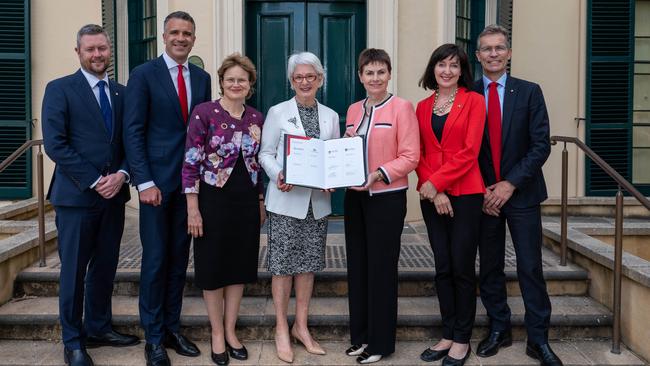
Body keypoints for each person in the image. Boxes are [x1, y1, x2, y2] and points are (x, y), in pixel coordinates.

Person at [42, 24, 139, 366]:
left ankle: (98, 327)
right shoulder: (59, 89)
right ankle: (73, 341)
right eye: (90, 49)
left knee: (105, 267)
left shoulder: (123, 94)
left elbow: (132, 142)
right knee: (73, 270)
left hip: (115, 197)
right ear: (78, 52)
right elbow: (56, 144)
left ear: (110, 49)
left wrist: (123, 174)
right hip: (77, 197)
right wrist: (97, 179)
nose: (97, 54)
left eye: (102, 48)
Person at [123, 11, 212, 366]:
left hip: (189, 186)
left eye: (187, 33)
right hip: (155, 186)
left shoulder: (202, 78)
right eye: (174, 32)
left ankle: (172, 328)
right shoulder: (143, 75)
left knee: (178, 261)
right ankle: (154, 337)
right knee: (156, 261)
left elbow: (201, 131)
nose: (180, 38)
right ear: (164, 36)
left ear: (193, 38)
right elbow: (133, 130)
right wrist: (143, 181)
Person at [473, 25, 562, 366]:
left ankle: (538, 339)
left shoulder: (529, 92)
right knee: (491, 267)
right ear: (478, 55)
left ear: (508, 53)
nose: (493, 54)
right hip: (482, 197)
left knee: (530, 266)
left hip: (521, 194)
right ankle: (499, 328)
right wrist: (480, 188)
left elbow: (540, 145)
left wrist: (509, 184)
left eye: (499, 48)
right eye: (486, 49)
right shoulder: (467, 95)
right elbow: (464, 148)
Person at [182, 53, 264, 366]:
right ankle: (217, 333)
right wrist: (192, 207)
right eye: (230, 79)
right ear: (221, 82)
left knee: (239, 266)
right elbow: (190, 161)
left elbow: (256, 163)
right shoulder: (204, 113)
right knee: (213, 267)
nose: (235, 84)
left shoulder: (256, 118)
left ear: (249, 84)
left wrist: (259, 202)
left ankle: (231, 331)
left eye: (241, 79)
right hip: (212, 201)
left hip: (245, 201)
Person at [258, 51, 340, 364]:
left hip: (316, 204)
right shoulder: (278, 112)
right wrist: (277, 173)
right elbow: (265, 153)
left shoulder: (331, 116)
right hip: (285, 200)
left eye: (310, 76)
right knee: (282, 266)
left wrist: (332, 177)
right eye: (298, 77)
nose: (304, 82)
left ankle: (301, 327)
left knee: (307, 265)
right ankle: (281, 327)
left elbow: (332, 158)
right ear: (292, 81)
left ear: (320, 79)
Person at [343, 48, 420, 364]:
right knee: (358, 267)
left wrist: (378, 174)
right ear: (360, 76)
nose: (375, 78)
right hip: (354, 198)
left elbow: (411, 156)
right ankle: (360, 337)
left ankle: (380, 343)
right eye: (369, 72)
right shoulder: (351, 109)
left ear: (389, 74)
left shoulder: (402, 108)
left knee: (381, 268)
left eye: (380, 72)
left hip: (386, 198)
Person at [414, 44, 485, 366]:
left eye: (453, 66)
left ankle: (462, 339)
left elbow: (469, 152)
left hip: (467, 194)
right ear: (433, 69)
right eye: (441, 65)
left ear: (462, 71)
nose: (447, 71)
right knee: (442, 266)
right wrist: (435, 191)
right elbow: (420, 154)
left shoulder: (474, 101)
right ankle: (447, 333)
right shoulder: (422, 106)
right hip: (433, 196)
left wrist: (438, 183)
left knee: (462, 267)